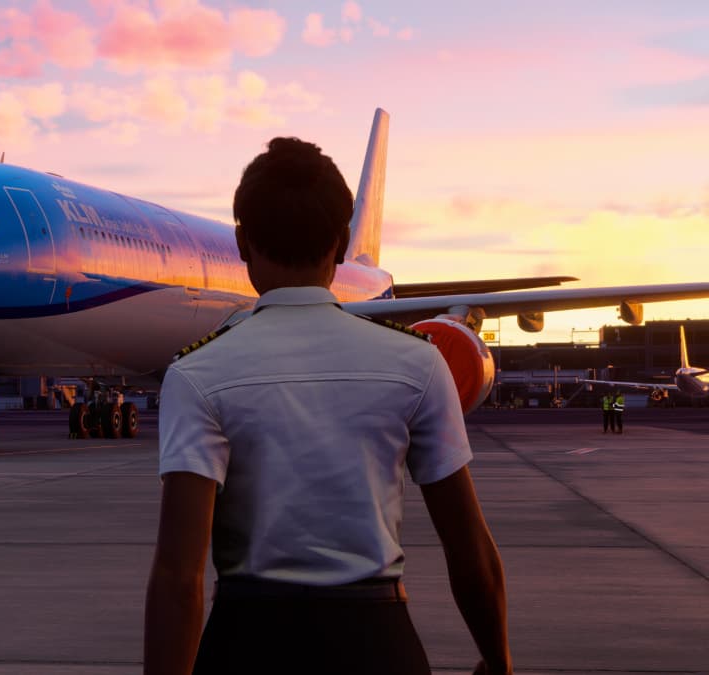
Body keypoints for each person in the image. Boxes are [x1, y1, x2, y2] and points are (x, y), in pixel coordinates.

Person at [144, 137, 511, 675]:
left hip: (246, 642)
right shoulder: (418, 364)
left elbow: (179, 577)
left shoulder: (196, 374)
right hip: (378, 643)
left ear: (242, 245)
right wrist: (497, 661)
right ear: (341, 245)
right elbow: (470, 549)